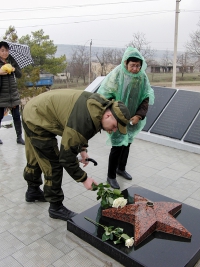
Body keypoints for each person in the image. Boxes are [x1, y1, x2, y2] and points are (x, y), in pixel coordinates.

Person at [22, 89, 130, 221]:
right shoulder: (84, 120)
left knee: (36, 155)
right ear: (108, 116)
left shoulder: (100, 107)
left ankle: (32, 191)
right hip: (36, 117)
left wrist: (83, 149)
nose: (113, 131)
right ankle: (55, 207)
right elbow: (66, 157)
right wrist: (84, 179)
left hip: (36, 108)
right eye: (114, 126)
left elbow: (82, 129)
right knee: (52, 163)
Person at [97, 47, 155, 189]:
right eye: (132, 65)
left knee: (127, 143)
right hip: (117, 118)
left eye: (138, 66)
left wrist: (139, 115)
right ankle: (111, 176)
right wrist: (109, 117)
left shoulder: (142, 77)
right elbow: (106, 94)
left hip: (133, 117)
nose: (135, 68)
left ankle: (121, 169)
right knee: (117, 146)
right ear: (125, 63)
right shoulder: (117, 74)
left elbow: (145, 97)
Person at [0, 41, 25, 145]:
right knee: (0, 116)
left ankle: (19, 137)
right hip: (2, 94)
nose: (5, 52)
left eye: (6, 50)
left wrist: (14, 68)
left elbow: (19, 75)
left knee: (16, 116)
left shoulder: (12, 61)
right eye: (2, 50)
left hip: (13, 94)